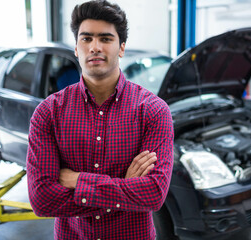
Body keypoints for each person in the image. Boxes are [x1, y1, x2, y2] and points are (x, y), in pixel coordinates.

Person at [26, 1, 174, 239]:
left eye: (105, 39)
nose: (95, 47)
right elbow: (42, 200)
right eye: (86, 39)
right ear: (76, 47)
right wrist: (124, 190)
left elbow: (154, 194)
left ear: (121, 48)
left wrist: (76, 180)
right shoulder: (48, 112)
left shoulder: (153, 111)